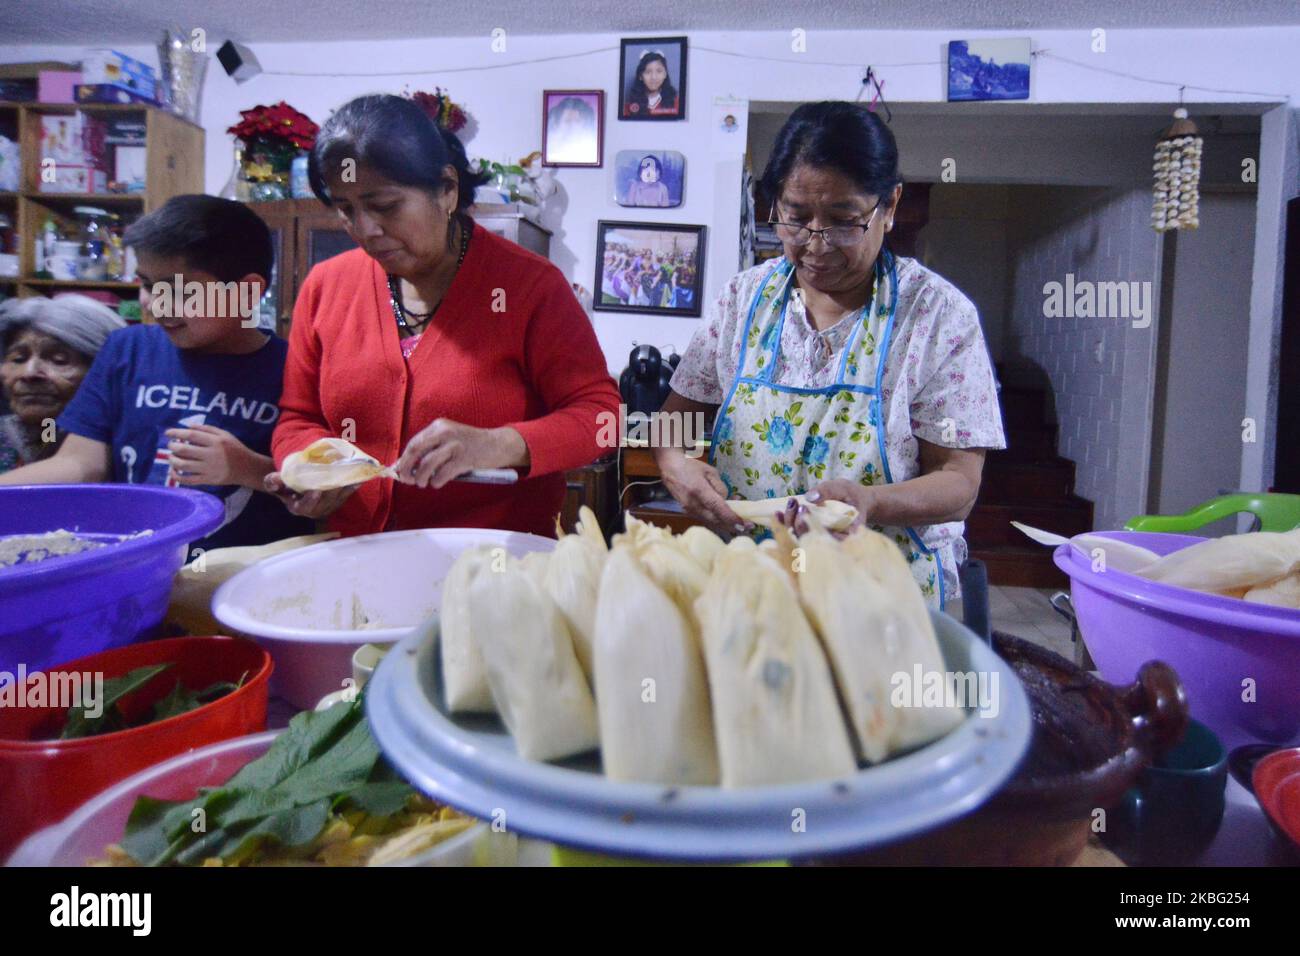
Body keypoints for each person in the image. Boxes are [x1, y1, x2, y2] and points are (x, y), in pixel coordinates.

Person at [654, 101, 1006, 607]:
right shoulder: (742, 300)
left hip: (879, 597)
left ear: (889, 206)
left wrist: (871, 501)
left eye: (843, 222)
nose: (815, 245)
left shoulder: (937, 316)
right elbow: (673, 425)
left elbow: (958, 482)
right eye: (795, 219)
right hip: (754, 586)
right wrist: (675, 465)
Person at [266, 94, 621, 539]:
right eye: (345, 208)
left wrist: (496, 445)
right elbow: (297, 419)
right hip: (360, 557)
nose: (365, 229)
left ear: (447, 190)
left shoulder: (530, 287)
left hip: (493, 568)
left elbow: (601, 418)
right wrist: (311, 466)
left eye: (385, 206)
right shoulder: (325, 286)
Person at [0, 195, 313, 556]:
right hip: (140, 564)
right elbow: (80, 465)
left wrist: (248, 469)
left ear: (246, 292)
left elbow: (317, 493)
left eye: (179, 291)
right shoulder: (126, 349)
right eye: (147, 284)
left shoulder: (294, 368)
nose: (153, 304)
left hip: (243, 578)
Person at [0, 294, 124, 472]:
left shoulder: (129, 447)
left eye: (59, 360)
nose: (29, 373)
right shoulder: (43, 428)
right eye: (18, 359)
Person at [623, 51, 680, 117]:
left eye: (659, 71)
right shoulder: (628, 108)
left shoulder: (676, 104)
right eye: (648, 72)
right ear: (640, 76)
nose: (653, 77)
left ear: (665, 74)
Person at [545, 96, 597, 164]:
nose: (573, 126)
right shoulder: (551, 151)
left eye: (578, 121)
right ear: (556, 124)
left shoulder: (589, 151)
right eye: (567, 121)